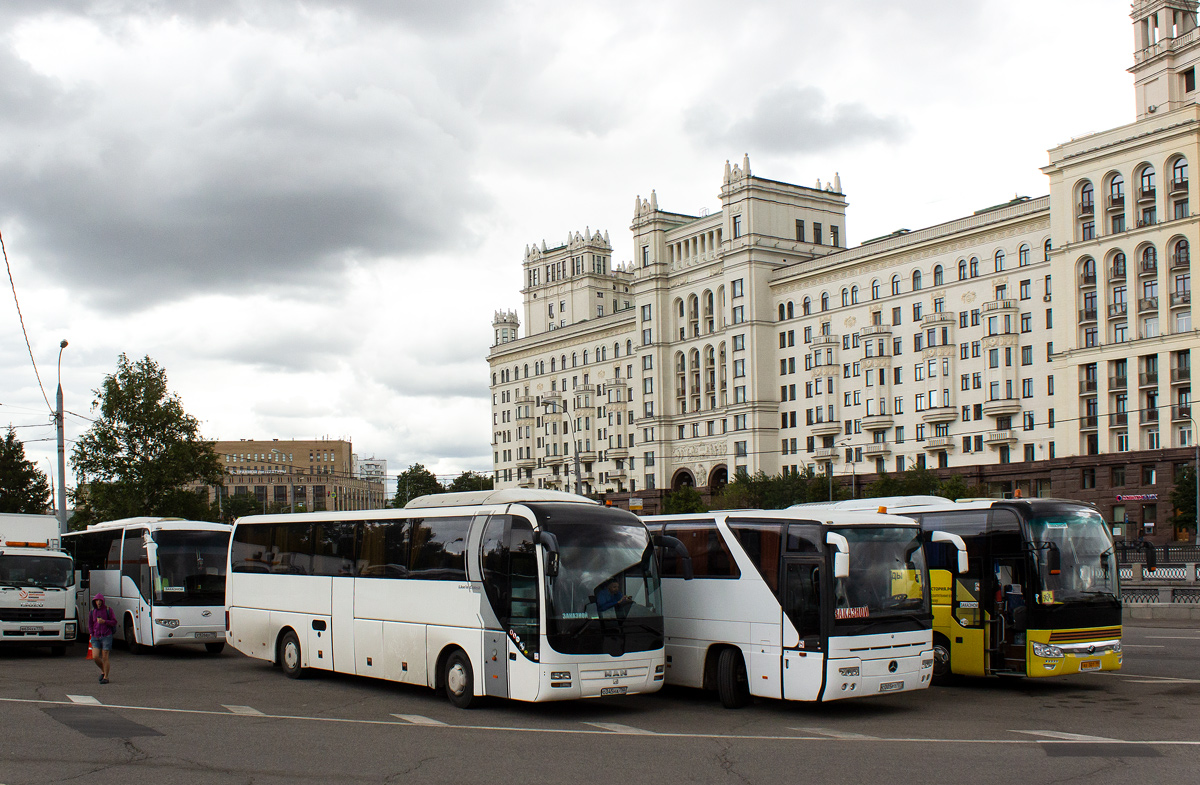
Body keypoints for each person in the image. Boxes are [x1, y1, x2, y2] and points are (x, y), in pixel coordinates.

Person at [88, 594, 116, 684]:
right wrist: (92, 633)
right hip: (96, 636)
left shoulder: (108, 610)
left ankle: (106, 677)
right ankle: (103, 670)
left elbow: (114, 622)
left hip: (106, 636)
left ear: (103, 602)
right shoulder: (92, 611)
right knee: (95, 656)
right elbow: (90, 624)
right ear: (95, 602)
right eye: (97, 601)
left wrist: (105, 621)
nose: (98, 603)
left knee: (105, 656)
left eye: (100, 601)